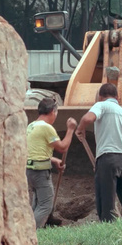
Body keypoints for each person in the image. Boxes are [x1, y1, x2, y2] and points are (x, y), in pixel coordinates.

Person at [75, 83, 122, 222]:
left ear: (100, 96)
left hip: (108, 157)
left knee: (106, 200)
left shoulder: (101, 105)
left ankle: (108, 228)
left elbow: (87, 118)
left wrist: (80, 129)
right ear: (117, 97)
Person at [26, 98, 77, 228]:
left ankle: (28, 228)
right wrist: (70, 130)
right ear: (52, 112)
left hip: (30, 170)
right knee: (46, 204)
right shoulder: (46, 128)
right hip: (40, 171)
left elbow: (35, 151)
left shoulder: (31, 126)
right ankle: (33, 232)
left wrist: (53, 160)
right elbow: (62, 147)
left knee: (37, 202)